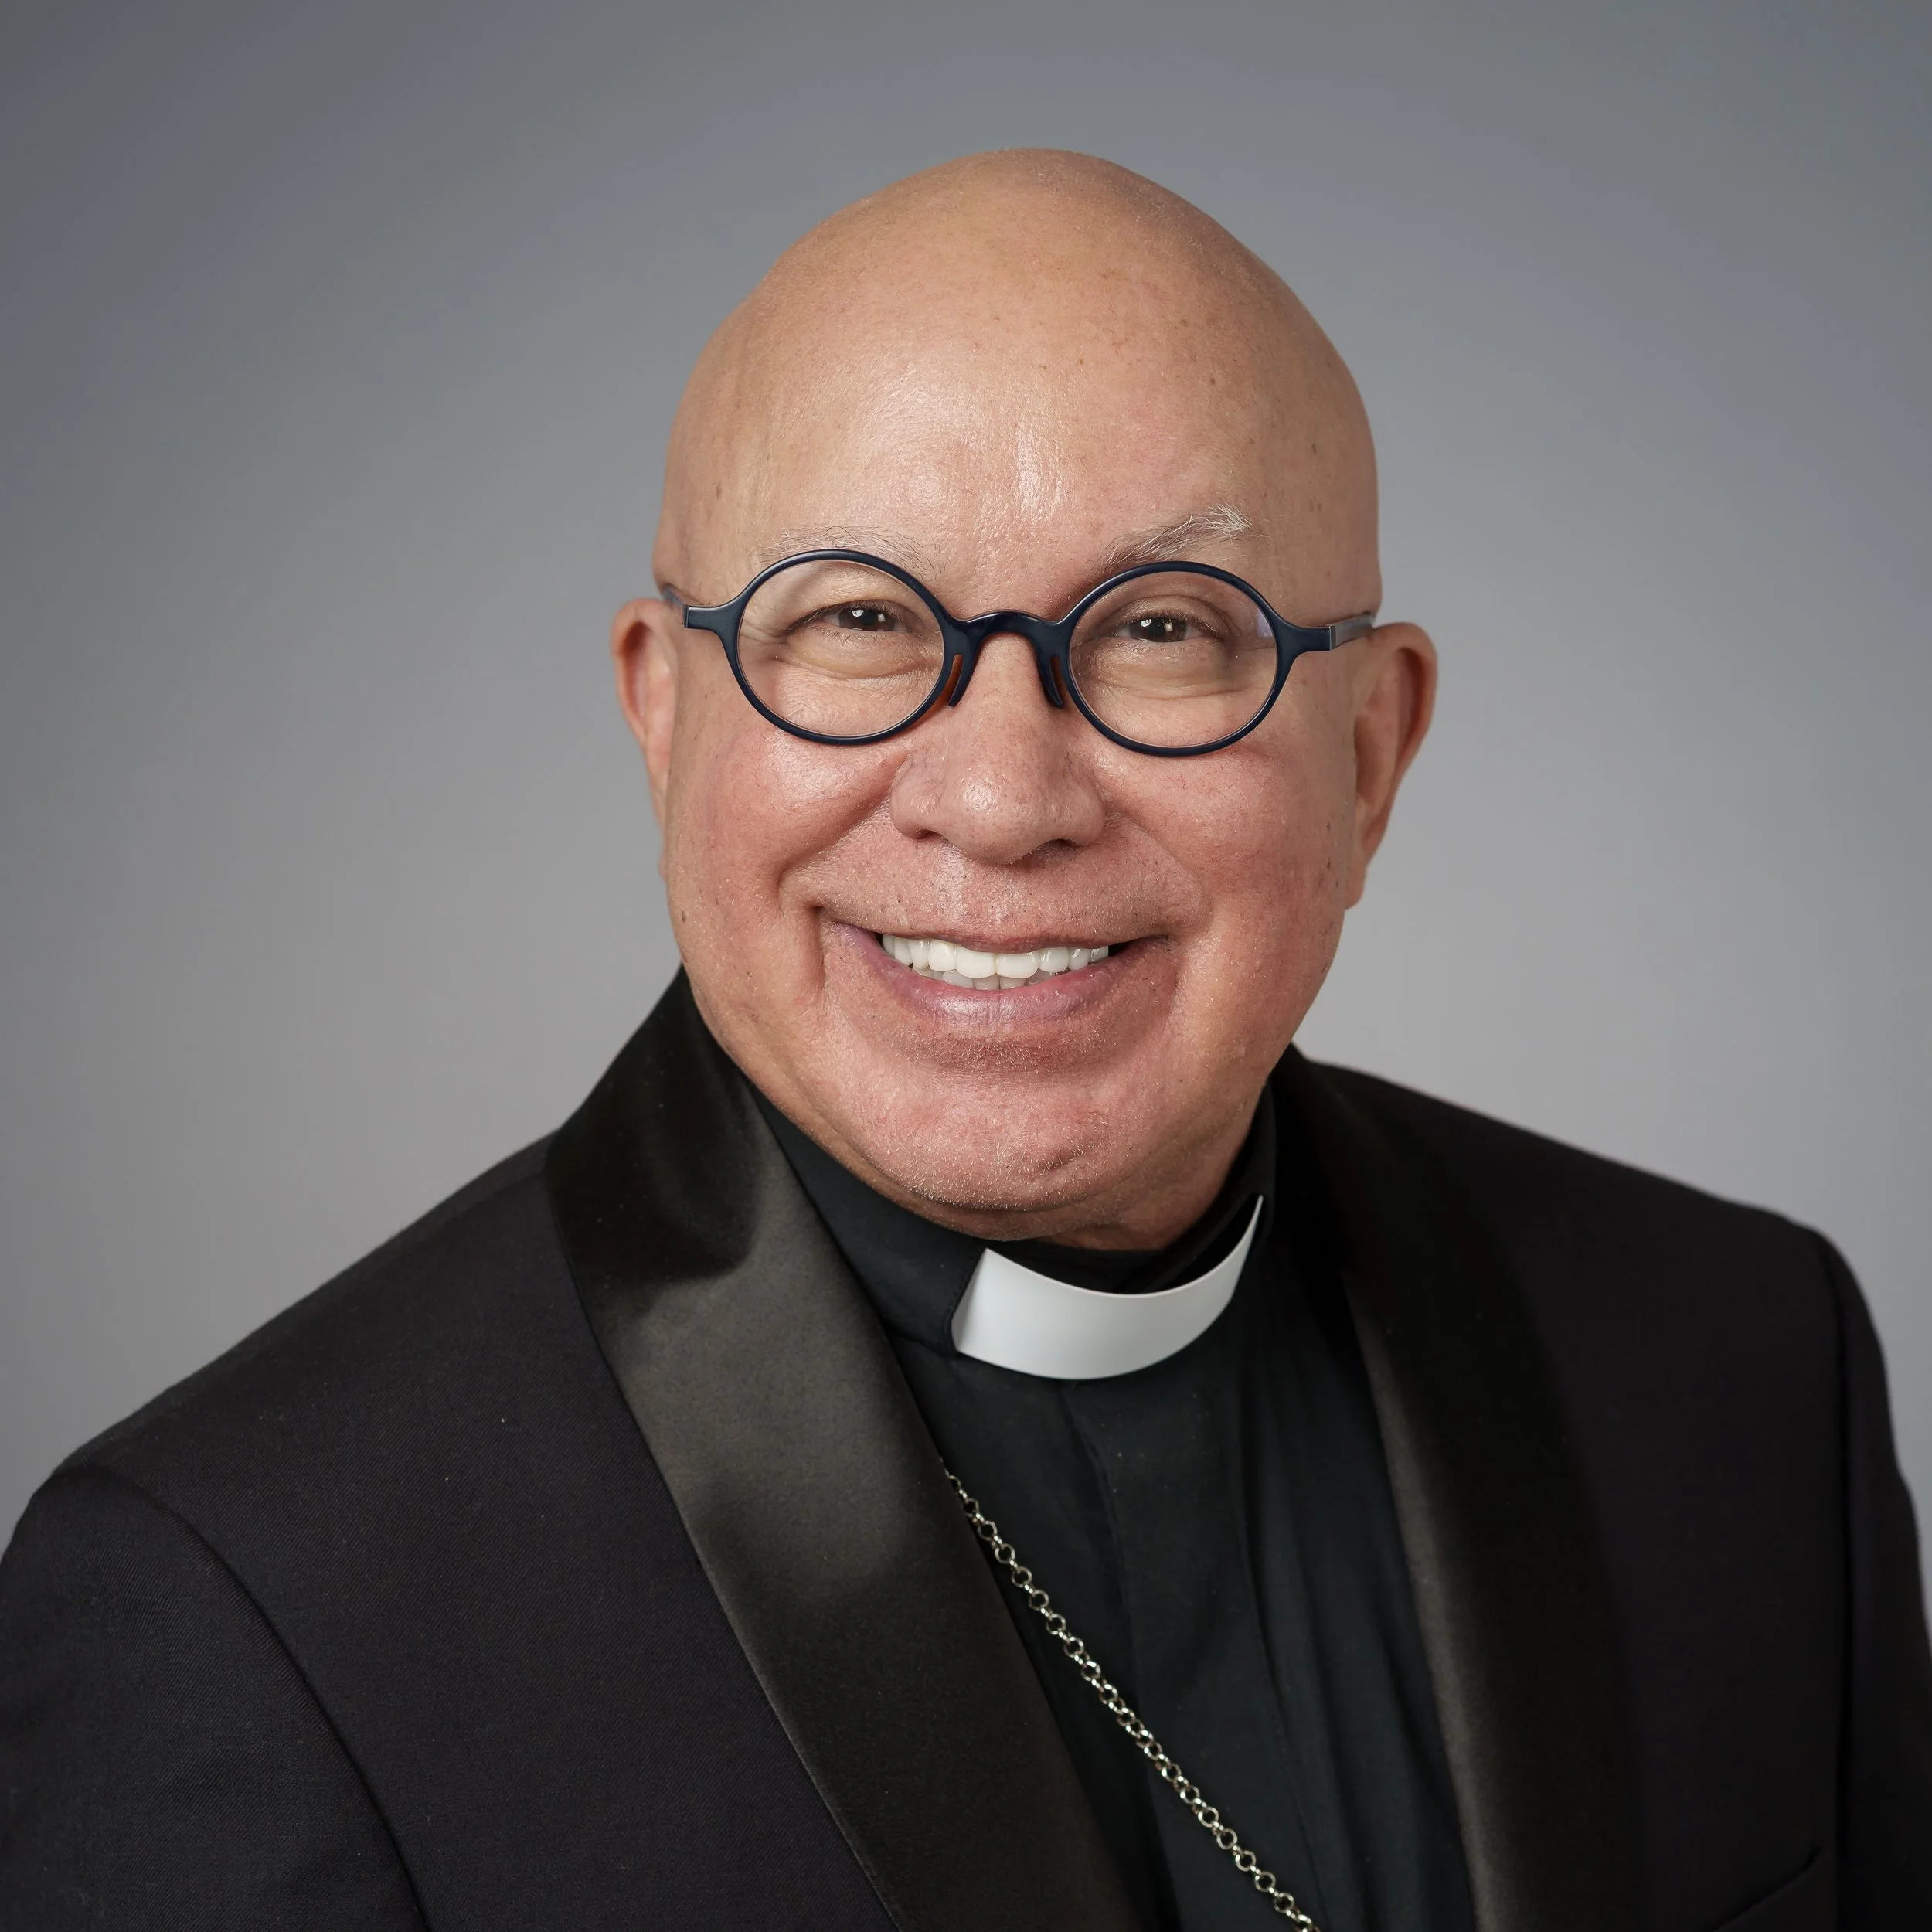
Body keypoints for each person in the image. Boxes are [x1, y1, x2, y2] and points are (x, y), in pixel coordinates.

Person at [2, 150, 1927, 1932]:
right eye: (854, 618)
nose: (1001, 800)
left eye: (1162, 628)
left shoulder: (1744, 1365)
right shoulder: (241, 1607)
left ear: (1368, 755)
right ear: (663, 718)